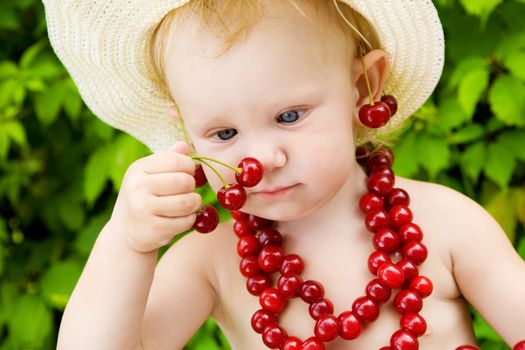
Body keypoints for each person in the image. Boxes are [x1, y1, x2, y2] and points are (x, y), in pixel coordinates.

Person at [43, 0, 525, 349]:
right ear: (184, 127)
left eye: (290, 116)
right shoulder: (210, 262)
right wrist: (126, 244)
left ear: (363, 87)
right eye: (224, 132)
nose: (264, 157)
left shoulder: (444, 225)